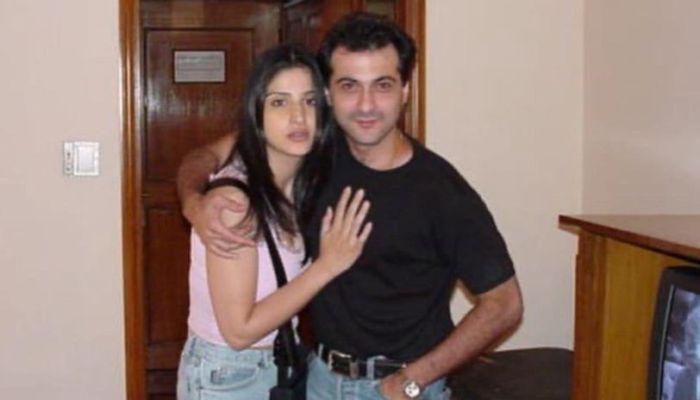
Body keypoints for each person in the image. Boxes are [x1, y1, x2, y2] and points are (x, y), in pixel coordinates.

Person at [177, 12, 523, 400]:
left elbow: (504, 304)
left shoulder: (440, 191)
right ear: (329, 94)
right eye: (349, 86)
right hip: (320, 379)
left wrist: (414, 380)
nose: (366, 105)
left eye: (383, 85)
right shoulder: (313, 151)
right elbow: (206, 155)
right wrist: (194, 201)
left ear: (405, 91)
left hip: (397, 387)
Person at [176, 44, 373, 400]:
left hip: (277, 362)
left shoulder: (299, 179)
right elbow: (239, 331)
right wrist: (327, 266)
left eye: (309, 101)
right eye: (280, 102)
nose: (298, 117)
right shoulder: (234, 203)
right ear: (258, 114)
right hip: (229, 376)